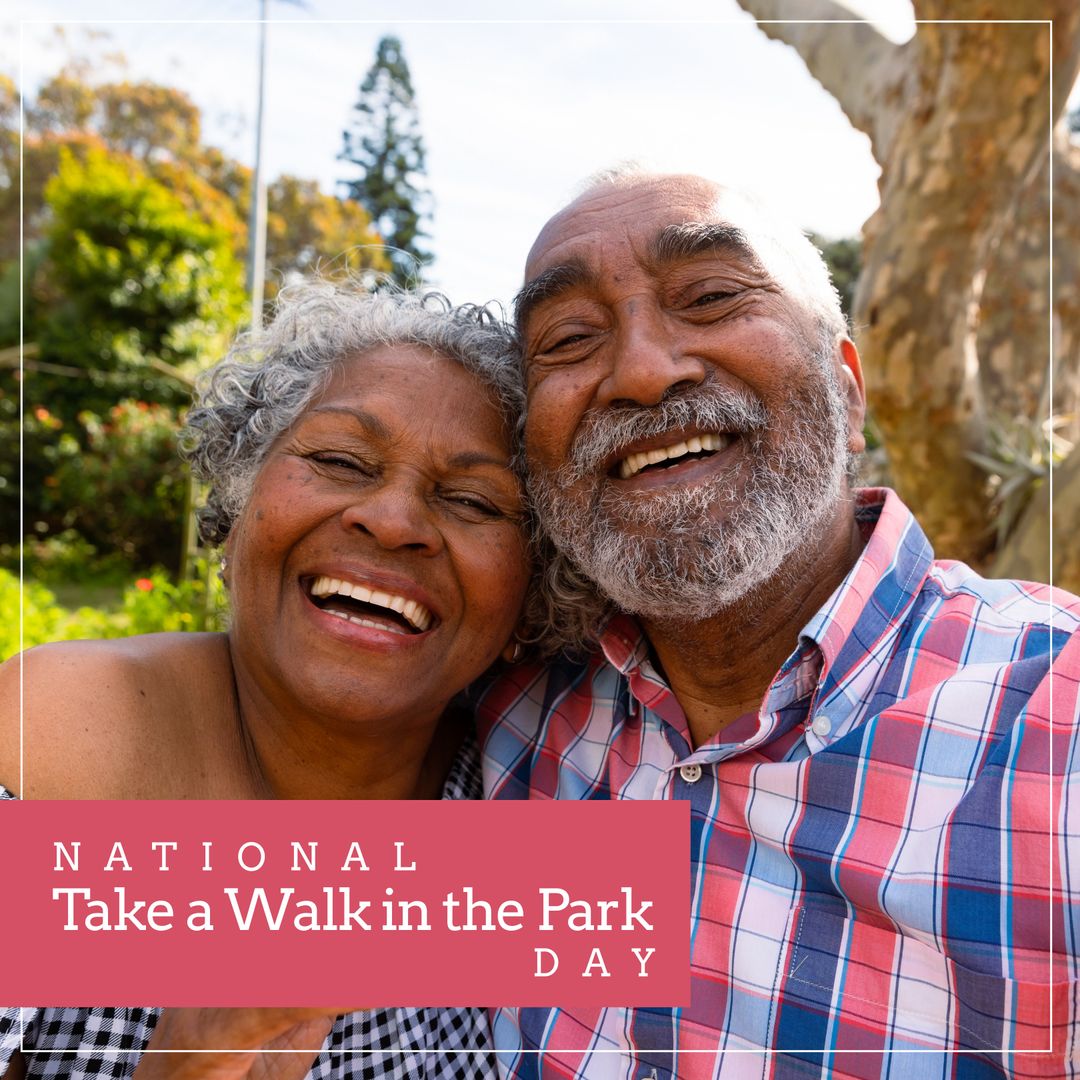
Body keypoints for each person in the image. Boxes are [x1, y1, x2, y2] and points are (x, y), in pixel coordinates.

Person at [480, 169, 1080, 1078]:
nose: (644, 371)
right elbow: (224, 924)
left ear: (848, 390)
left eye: (712, 297)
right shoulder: (512, 714)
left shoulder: (1057, 720)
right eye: (568, 339)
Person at [0, 281, 532, 1080]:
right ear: (238, 499)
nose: (392, 521)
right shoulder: (52, 744)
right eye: (340, 460)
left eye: (471, 501)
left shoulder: (522, 790)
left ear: (534, 596)